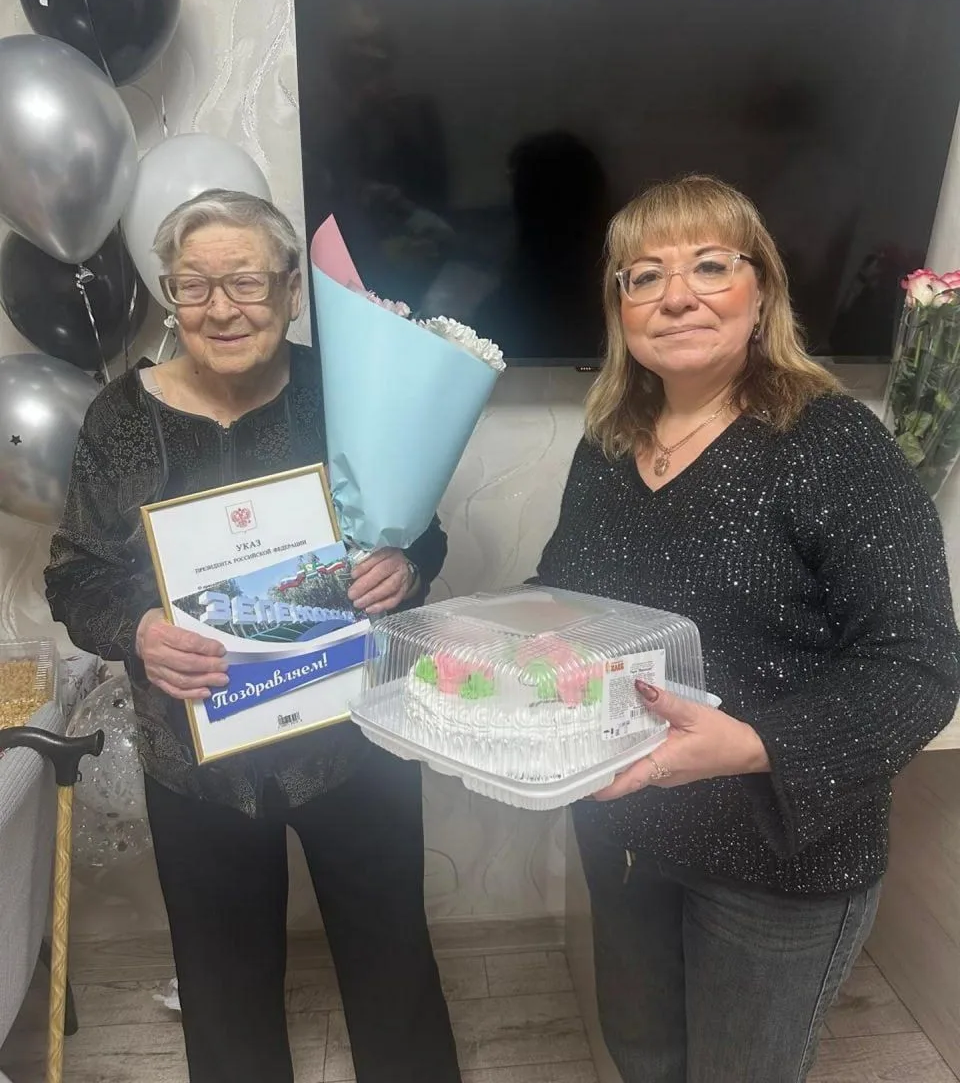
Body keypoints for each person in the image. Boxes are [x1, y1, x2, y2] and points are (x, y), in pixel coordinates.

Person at [534, 174, 960, 1083]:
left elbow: (918, 664)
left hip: (778, 856)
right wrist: (513, 638)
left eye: (710, 266)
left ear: (761, 291)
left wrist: (756, 744)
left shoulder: (833, 444)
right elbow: (569, 596)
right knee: (643, 1055)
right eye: (644, 276)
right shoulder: (606, 444)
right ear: (620, 308)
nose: (676, 295)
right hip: (625, 825)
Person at [45, 190, 462, 1083]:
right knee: (223, 990)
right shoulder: (121, 418)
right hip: (196, 759)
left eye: (245, 281)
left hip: (356, 741)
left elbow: (419, 530)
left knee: (393, 964)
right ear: (170, 295)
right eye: (193, 285)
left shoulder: (347, 392)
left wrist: (407, 568)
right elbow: (74, 575)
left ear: (291, 291)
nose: (221, 308)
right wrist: (138, 628)